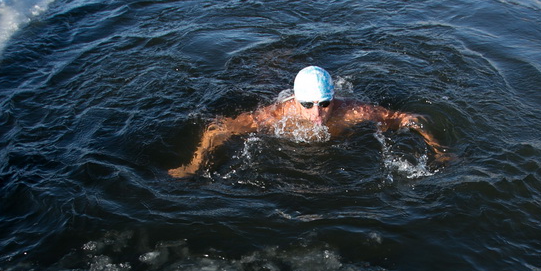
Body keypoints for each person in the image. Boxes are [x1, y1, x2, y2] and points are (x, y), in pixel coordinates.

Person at [168, 66, 449, 177]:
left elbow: (408, 119)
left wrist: (439, 150)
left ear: (333, 98)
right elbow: (217, 127)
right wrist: (194, 164)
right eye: (307, 105)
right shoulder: (276, 115)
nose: (317, 114)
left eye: (324, 104)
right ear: (295, 100)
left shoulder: (352, 111)